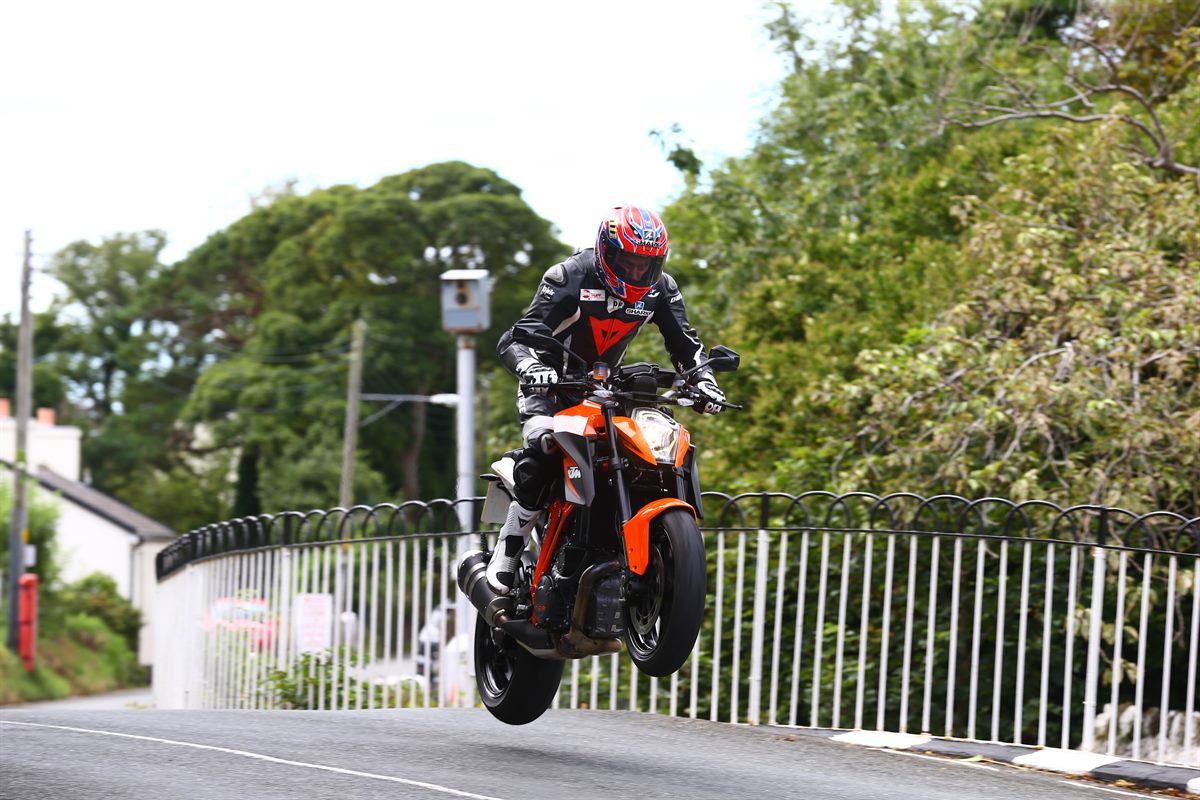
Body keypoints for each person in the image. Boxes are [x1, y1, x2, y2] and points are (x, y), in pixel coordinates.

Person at [486, 205, 726, 594]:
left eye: (644, 265)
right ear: (605, 251)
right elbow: (515, 339)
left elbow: (686, 347)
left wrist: (706, 383)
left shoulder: (662, 289)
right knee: (546, 446)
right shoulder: (569, 277)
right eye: (627, 261)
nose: (634, 272)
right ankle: (508, 551)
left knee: (649, 448)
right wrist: (533, 368)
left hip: (608, 391)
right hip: (549, 386)